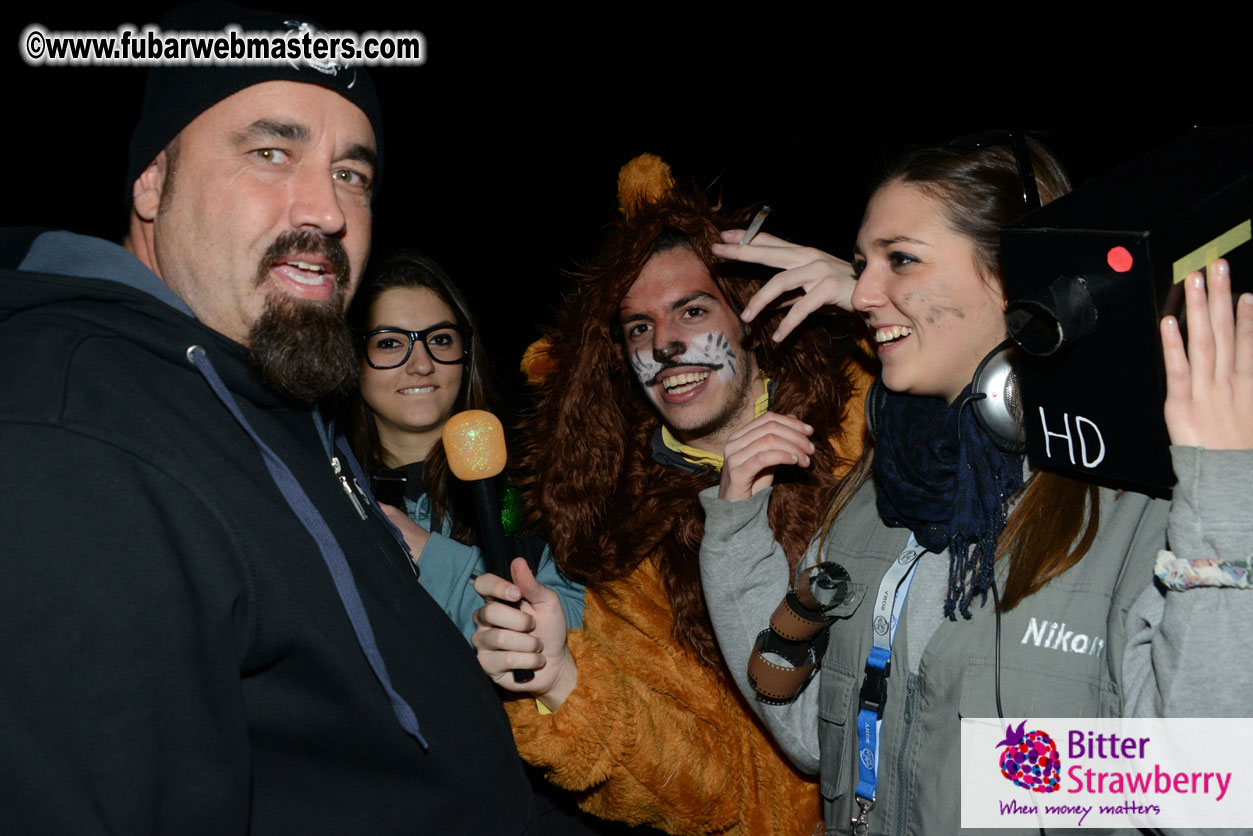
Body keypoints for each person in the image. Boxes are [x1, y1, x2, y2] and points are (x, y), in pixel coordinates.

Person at [0, 3, 534, 833]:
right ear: (153, 179)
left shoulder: (273, 388)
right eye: (271, 152)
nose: (326, 209)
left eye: (352, 173)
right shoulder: (74, 435)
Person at [698, 137, 1253, 834]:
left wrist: (1228, 497)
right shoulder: (878, 493)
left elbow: (1205, 800)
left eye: (900, 259)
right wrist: (734, 528)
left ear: (1010, 278)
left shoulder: (1143, 509)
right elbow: (814, 738)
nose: (862, 292)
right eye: (863, 264)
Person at [471, 154, 874, 835]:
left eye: (691, 310)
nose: (664, 345)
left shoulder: (873, 412)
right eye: (638, 328)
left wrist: (874, 299)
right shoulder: (632, 543)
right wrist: (562, 680)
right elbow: (718, 788)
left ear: (750, 314)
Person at [343, 251, 584, 640]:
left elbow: (585, 633)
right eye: (389, 343)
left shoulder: (538, 482)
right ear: (353, 359)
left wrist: (432, 557)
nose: (421, 363)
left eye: (440, 339)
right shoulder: (323, 487)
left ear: (465, 354)